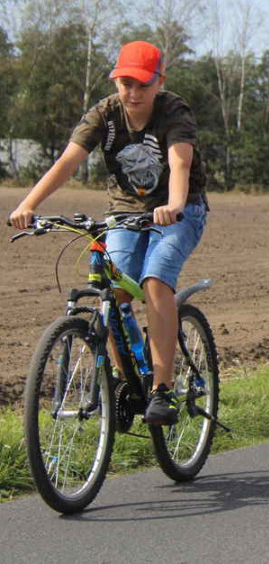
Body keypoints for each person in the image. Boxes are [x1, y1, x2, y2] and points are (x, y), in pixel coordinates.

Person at [8, 41, 208, 426]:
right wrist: (29, 205)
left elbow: (179, 163)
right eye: (125, 84)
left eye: (142, 85)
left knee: (154, 280)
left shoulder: (173, 111)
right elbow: (69, 159)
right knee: (113, 292)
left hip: (181, 210)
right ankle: (127, 375)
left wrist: (176, 203)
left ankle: (162, 389)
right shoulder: (105, 113)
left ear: (159, 82)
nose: (133, 94)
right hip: (125, 211)